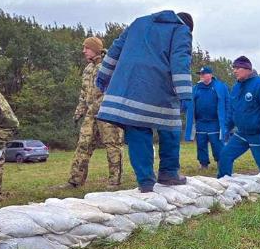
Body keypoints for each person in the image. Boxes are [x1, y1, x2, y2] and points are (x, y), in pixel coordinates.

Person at [95, 10, 193, 192]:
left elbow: (116, 48)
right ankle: (169, 173)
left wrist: (103, 74)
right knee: (171, 126)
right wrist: (185, 93)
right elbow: (180, 60)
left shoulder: (138, 23)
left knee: (137, 129)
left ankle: (146, 182)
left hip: (128, 86)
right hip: (157, 84)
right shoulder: (181, 30)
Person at [62, 36, 124, 189]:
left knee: (112, 146)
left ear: (96, 49)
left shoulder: (110, 65)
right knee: (83, 145)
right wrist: (79, 112)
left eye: (87, 48)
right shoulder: (88, 69)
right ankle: (74, 181)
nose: (84, 51)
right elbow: (84, 94)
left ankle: (114, 181)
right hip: (91, 114)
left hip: (108, 113)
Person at [217, 56, 260, 198]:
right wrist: (228, 127)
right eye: (233, 68)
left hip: (258, 134)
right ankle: (223, 184)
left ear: (247, 69)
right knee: (225, 155)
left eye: (237, 68)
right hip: (242, 134)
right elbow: (232, 110)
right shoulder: (236, 87)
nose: (234, 71)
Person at [184, 66, 230, 169]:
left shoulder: (220, 87)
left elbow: (227, 103)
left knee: (217, 144)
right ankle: (203, 164)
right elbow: (190, 103)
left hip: (215, 122)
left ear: (210, 75)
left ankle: (221, 162)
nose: (201, 76)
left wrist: (228, 118)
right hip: (201, 122)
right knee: (201, 144)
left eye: (204, 74)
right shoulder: (196, 88)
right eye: (200, 74)